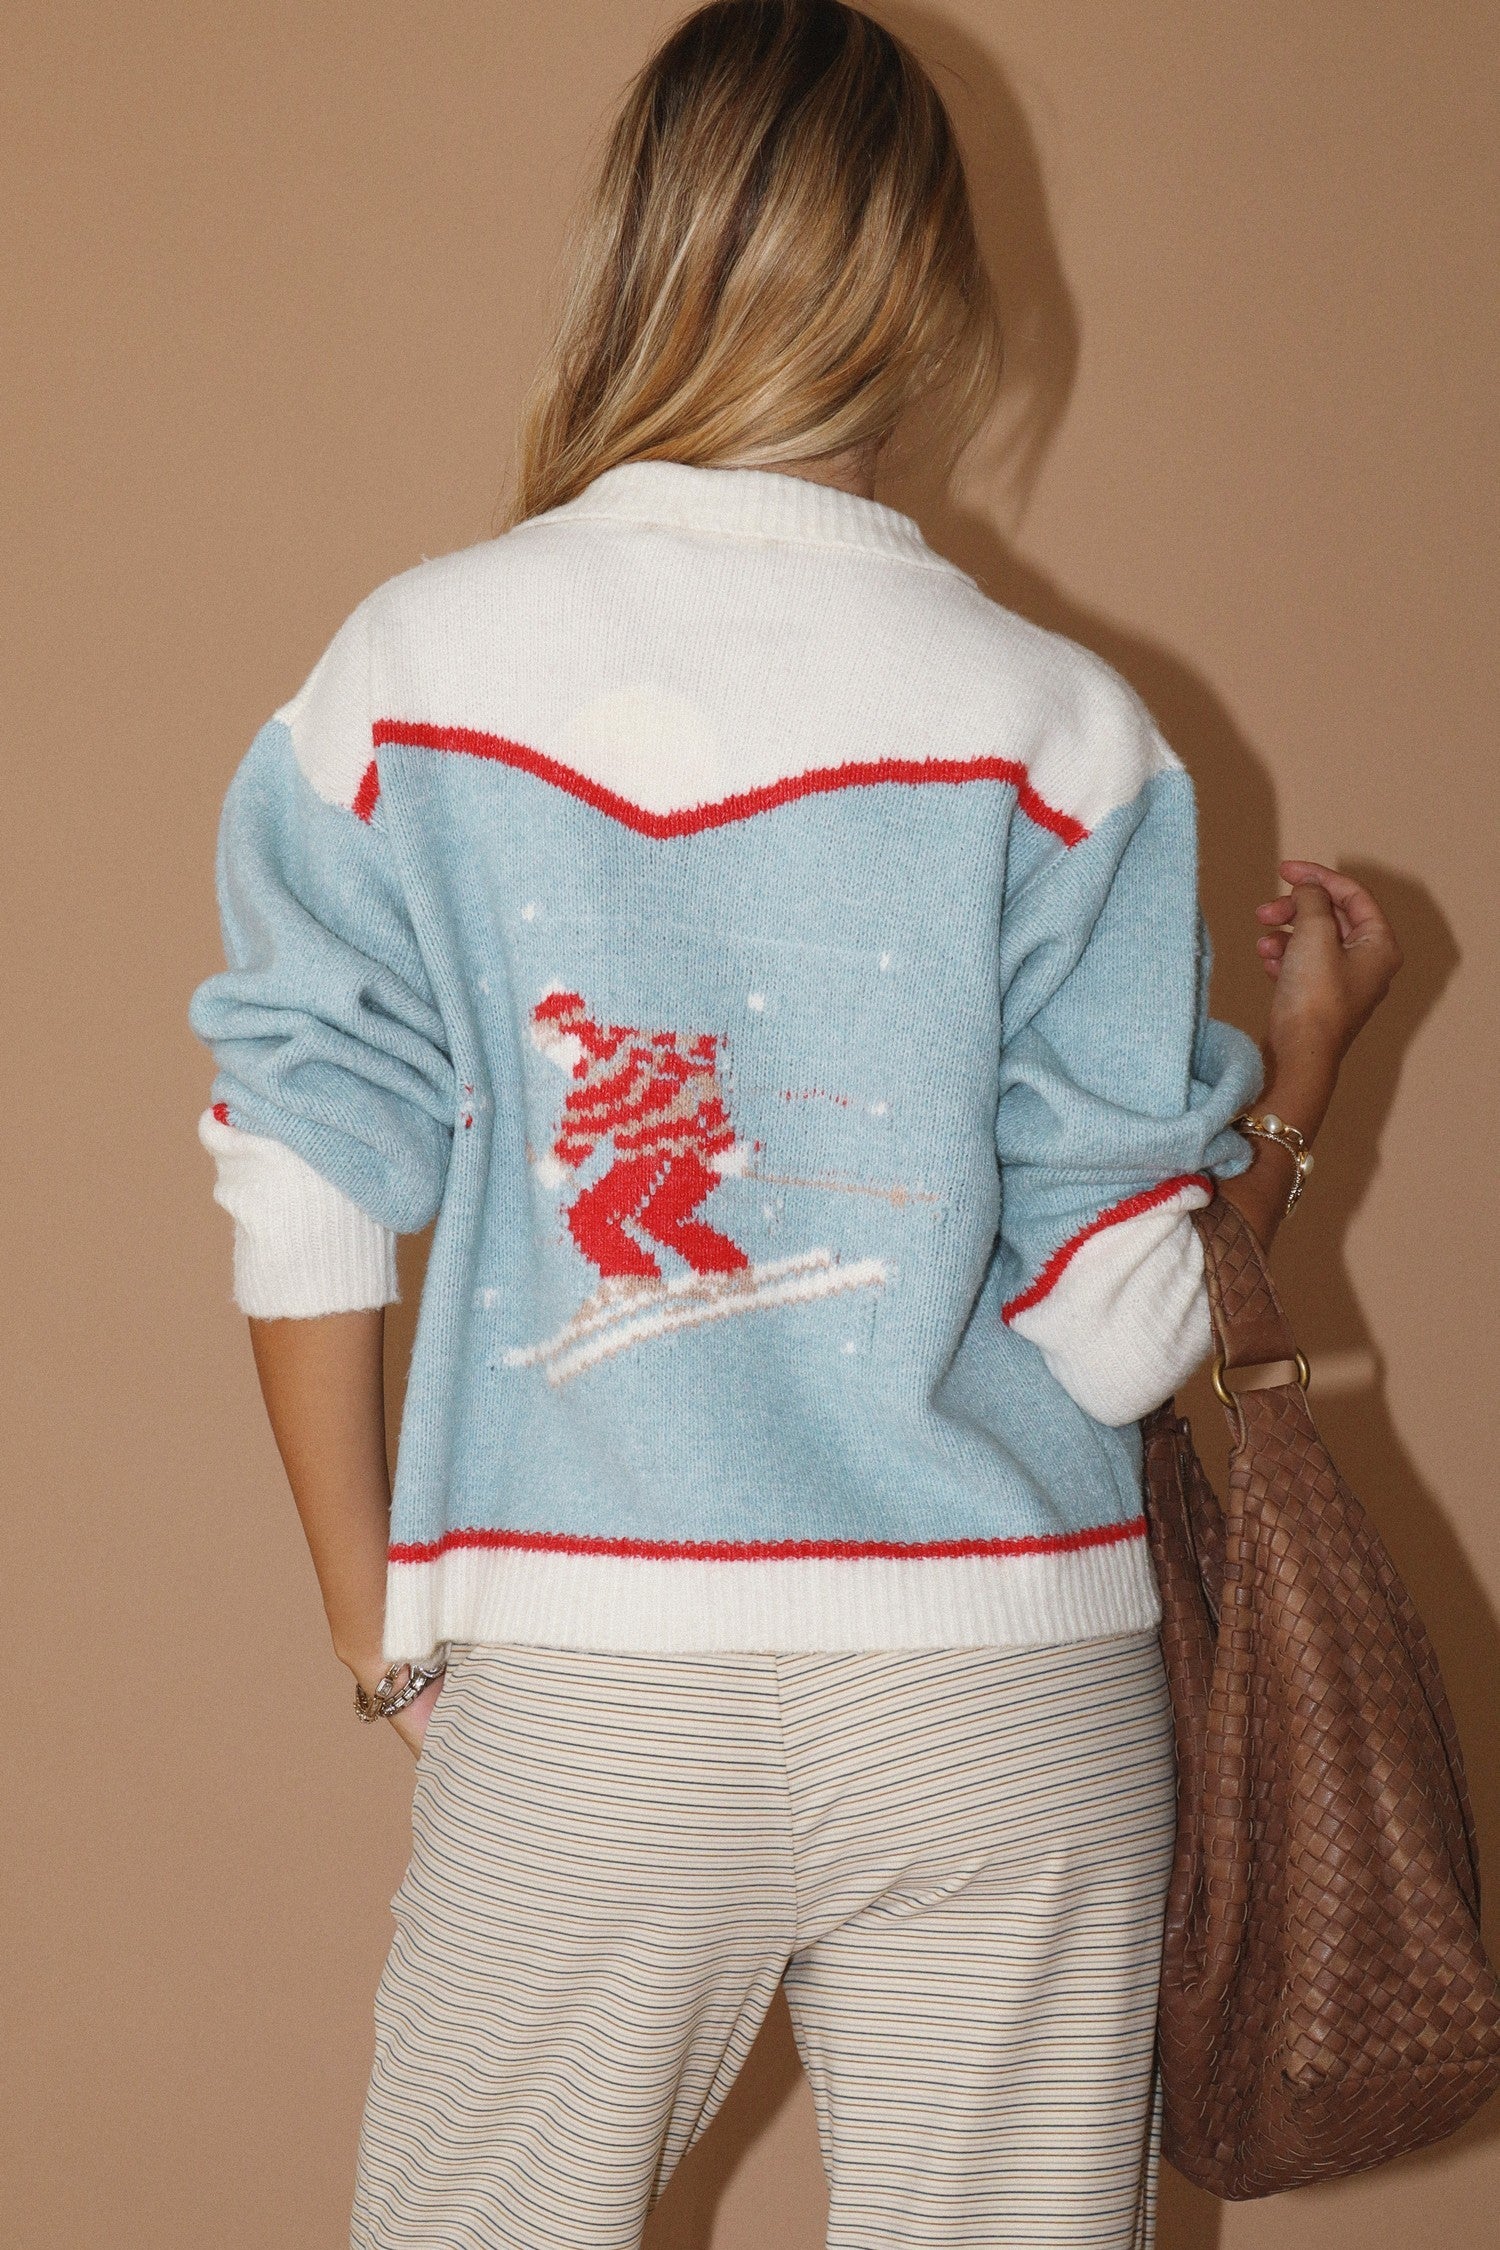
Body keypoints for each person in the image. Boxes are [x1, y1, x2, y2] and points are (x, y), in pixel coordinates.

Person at [187, 5, 1402, 2244]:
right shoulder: (1066, 724)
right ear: (929, 288)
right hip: (1006, 1690)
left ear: (632, 248)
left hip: (594, 1685)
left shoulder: (411, 672)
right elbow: (1122, 1330)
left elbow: (305, 1163)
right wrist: (1299, 1075)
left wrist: (377, 1622)